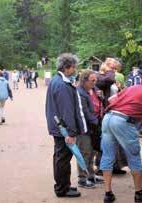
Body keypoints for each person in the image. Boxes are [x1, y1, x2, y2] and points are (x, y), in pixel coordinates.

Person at [45, 53, 87, 198]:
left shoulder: (57, 81)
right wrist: (71, 133)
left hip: (59, 128)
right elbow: (67, 111)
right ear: (66, 67)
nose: (74, 70)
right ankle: (62, 189)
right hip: (63, 129)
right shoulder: (62, 85)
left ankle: (64, 186)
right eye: (73, 67)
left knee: (61, 158)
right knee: (62, 159)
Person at [76, 70, 104, 189]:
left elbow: (99, 103)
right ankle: (82, 179)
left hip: (93, 126)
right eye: (92, 80)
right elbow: (85, 112)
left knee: (92, 151)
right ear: (84, 80)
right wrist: (96, 122)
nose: (95, 82)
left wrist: (101, 97)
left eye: (95, 80)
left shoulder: (92, 89)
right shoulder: (80, 92)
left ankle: (91, 175)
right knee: (84, 152)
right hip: (84, 127)